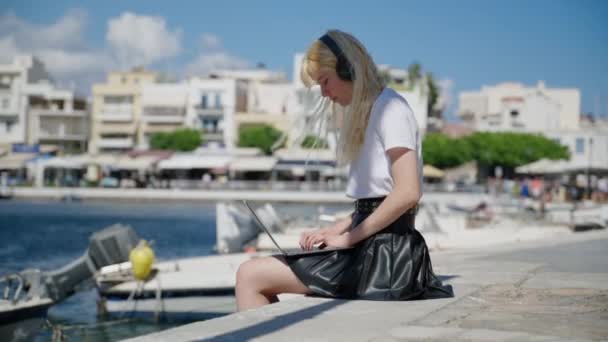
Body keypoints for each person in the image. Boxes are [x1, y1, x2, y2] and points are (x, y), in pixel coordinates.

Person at [235, 29, 453, 311]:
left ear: (348, 69)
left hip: (387, 259)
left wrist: (347, 238)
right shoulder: (373, 110)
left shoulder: (391, 109)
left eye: (325, 82)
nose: (324, 93)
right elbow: (376, 200)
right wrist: (334, 229)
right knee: (254, 274)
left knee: (250, 275)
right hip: (376, 251)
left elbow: (408, 193)